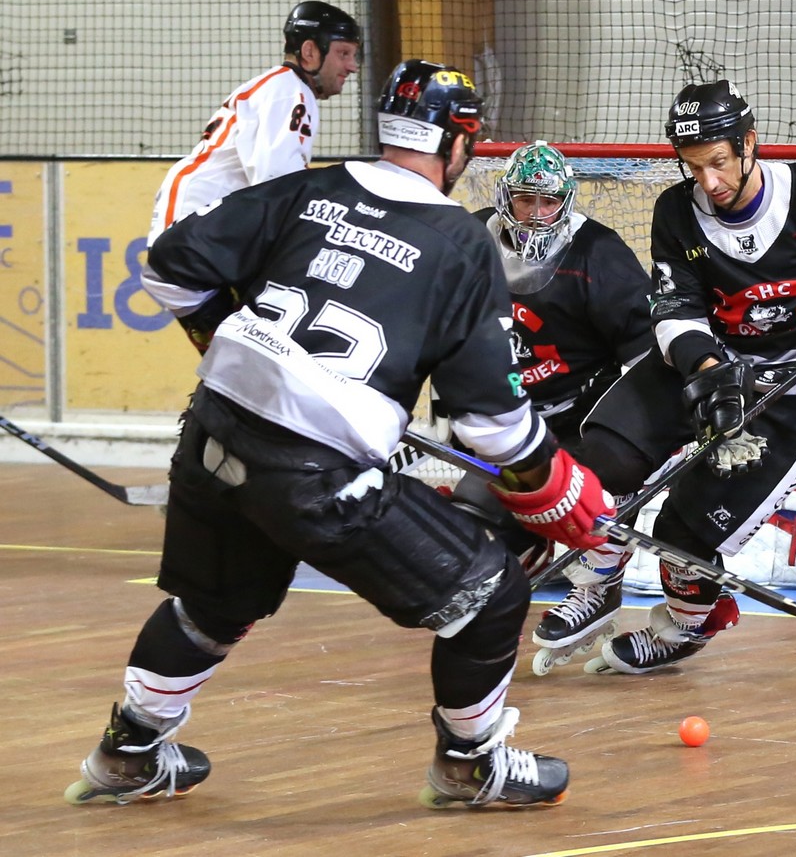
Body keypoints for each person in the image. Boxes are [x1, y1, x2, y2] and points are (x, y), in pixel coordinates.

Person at [63, 59, 616, 809]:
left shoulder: (307, 190)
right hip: (313, 470)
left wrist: (227, 341)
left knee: (213, 607)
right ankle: (469, 766)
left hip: (214, 427)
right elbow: (490, 424)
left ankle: (126, 754)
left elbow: (167, 267)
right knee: (492, 593)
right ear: (459, 143)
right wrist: (559, 483)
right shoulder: (461, 242)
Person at [532, 78, 796, 675]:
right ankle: (598, 584)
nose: (709, 182)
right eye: (693, 166)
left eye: (719, 162)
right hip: (705, 368)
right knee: (600, 462)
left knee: (685, 533)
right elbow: (676, 311)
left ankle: (686, 626)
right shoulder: (677, 212)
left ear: (749, 143)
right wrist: (709, 373)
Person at [442, 139, 651, 606]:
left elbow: (645, 353)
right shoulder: (472, 239)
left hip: (578, 423)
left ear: (566, 201)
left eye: (548, 201)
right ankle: (530, 544)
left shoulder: (598, 252)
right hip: (508, 420)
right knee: (469, 536)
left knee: (596, 501)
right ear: (506, 196)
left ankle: (595, 578)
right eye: (525, 199)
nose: (536, 214)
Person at [147, 1, 362, 245]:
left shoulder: (286, 87)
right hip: (199, 216)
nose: (352, 66)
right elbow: (276, 178)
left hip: (206, 214)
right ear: (310, 51)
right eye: (343, 54)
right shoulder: (289, 91)